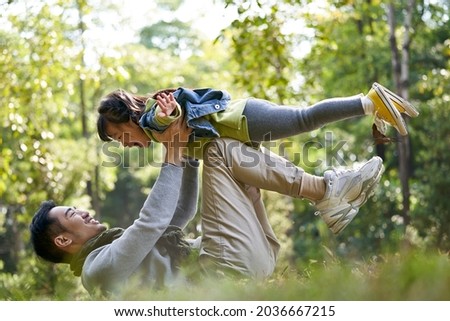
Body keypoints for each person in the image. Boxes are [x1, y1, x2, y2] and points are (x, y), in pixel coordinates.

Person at [30, 118, 383, 296]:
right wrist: (172, 152)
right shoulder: (97, 270)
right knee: (221, 151)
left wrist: (186, 153)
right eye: (71, 214)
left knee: (223, 151)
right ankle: (325, 193)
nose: (82, 211)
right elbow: (150, 224)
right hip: (229, 271)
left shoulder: (109, 250)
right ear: (63, 241)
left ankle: (326, 193)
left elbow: (176, 217)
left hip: (249, 258)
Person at [96, 82, 418, 161]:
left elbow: (164, 116)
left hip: (244, 119)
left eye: (120, 136)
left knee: (303, 118)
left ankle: (368, 102)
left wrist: (168, 114)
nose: (124, 144)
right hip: (244, 125)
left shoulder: (152, 119)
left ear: (128, 117)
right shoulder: (157, 137)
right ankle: (377, 103)